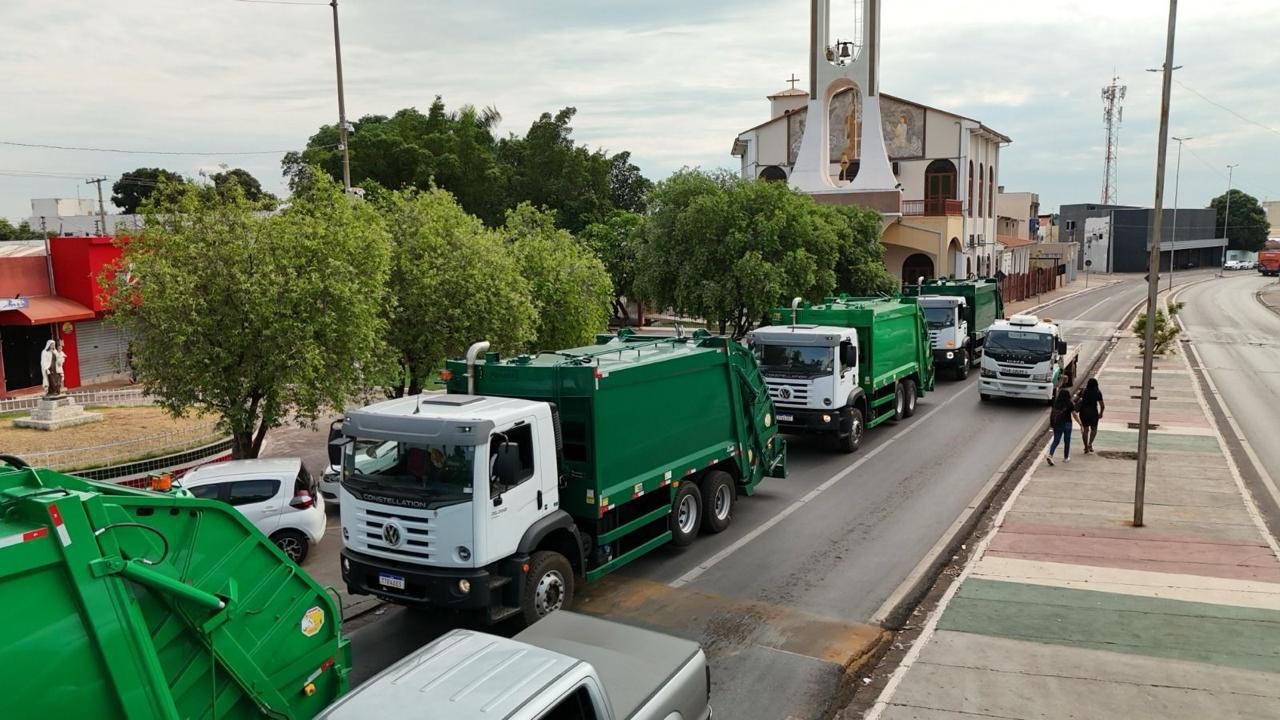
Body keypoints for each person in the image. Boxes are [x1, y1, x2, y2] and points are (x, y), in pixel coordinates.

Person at [1046, 388, 1080, 466]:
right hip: (1067, 424)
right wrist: (1080, 424)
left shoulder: (1055, 403)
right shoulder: (1069, 403)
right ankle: (1066, 457)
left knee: (1056, 441)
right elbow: (1074, 414)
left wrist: (1052, 425)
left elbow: (1052, 414)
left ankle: (1050, 455)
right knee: (1067, 441)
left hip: (1058, 424)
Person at [1077, 377, 1105, 453]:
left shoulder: (1083, 391)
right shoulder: (1098, 392)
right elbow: (1102, 405)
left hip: (1083, 412)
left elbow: (1075, 399)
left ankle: (1085, 447)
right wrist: (1101, 413)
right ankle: (1090, 444)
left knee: (1085, 430)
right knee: (1094, 429)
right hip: (1093, 413)